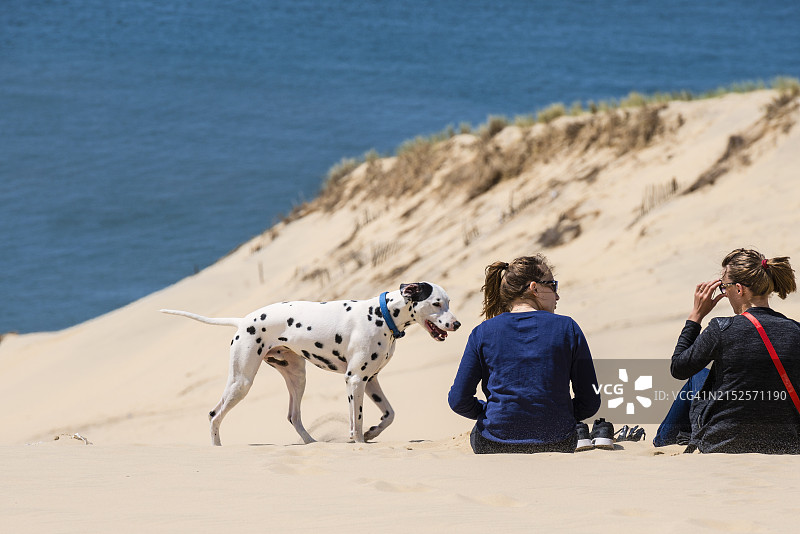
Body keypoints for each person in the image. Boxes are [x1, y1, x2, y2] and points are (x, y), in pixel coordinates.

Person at [448, 255, 601, 454]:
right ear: (534, 288)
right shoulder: (567, 327)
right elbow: (590, 401)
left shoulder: (483, 332)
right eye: (553, 285)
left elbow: (458, 400)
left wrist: (489, 412)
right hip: (558, 440)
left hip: (494, 442)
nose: (557, 296)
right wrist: (559, 414)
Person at [668, 248, 800, 453]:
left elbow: (678, 367)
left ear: (739, 289)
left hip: (722, 442)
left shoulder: (722, 328)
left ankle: (663, 441)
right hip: (787, 444)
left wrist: (695, 317)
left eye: (724, 287)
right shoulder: (796, 330)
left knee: (696, 377)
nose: (724, 293)